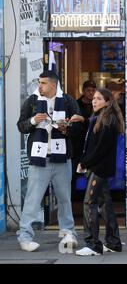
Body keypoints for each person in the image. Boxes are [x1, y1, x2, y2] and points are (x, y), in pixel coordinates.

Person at [16, 68, 82, 252]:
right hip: (40, 158)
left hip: (62, 158)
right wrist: (33, 121)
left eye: (43, 83)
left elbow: (78, 129)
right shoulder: (32, 101)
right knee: (32, 199)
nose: (40, 86)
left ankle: (68, 232)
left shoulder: (68, 101)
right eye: (39, 82)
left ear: (53, 85)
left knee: (64, 199)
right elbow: (21, 126)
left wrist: (65, 128)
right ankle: (25, 236)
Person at [75, 88, 124, 256]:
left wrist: (84, 163)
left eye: (98, 99)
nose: (94, 101)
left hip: (99, 168)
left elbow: (100, 149)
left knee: (89, 203)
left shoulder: (107, 120)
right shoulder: (99, 118)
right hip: (98, 167)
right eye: (93, 98)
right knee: (105, 204)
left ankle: (93, 245)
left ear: (108, 101)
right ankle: (113, 242)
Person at [72, 80, 96, 194]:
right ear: (83, 91)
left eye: (93, 90)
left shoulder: (97, 104)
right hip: (79, 141)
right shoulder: (76, 104)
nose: (91, 93)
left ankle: (89, 193)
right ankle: (77, 194)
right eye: (88, 90)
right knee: (76, 169)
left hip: (93, 141)